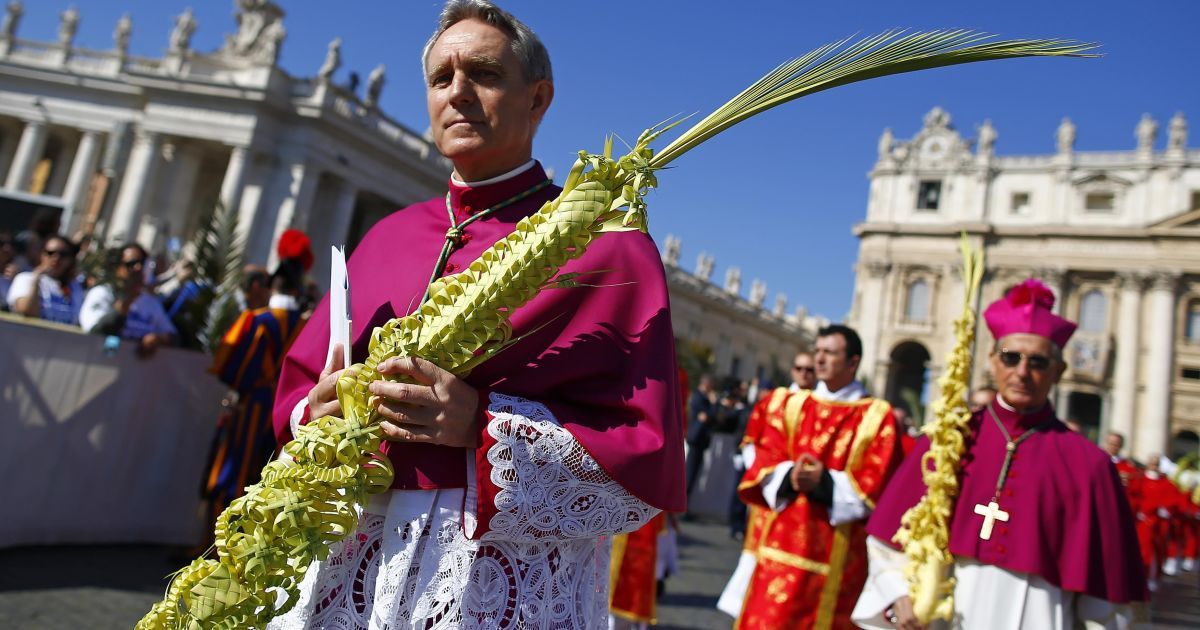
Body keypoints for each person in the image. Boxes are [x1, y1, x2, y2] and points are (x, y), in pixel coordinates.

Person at [267, 2, 683, 627]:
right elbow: (300, 381)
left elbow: (642, 452)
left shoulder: (606, 246)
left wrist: (481, 425)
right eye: (441, 79)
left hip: (488, 568)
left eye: (484, 74)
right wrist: (316, 409)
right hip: (350, 546)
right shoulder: (389, 235)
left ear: (538, 98)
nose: (458, 93)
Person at [853, 279, 1146, 629]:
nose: (1022, 372)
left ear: (1059, 371)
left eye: (1037, 361)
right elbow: (889, 543)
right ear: (992, 361)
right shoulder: (948, 438)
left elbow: (1107, 598)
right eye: (1011, 357)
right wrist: (899, 595)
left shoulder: (1089, 464)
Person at [731, 324, 902, 628]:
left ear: (853, 362)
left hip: (837, 554)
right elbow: (765, 457)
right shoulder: (790, 404)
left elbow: (877, 483)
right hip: (778, 545)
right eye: (818, 351)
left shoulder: (877, 415)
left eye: (830, 353)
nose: (820, 359)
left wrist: (823, 481)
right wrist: (788, 476)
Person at [200, 239, 310, 532]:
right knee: (266, 474)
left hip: (251, 405)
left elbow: (230, 367)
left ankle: (214, 543)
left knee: (232, 469)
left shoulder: (255, 320)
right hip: (285, 411)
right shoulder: (305, 325)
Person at [80, 243, 177, 355]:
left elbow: (174, 336)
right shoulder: (102, 293)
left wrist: (159, 339)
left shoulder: (150, 301)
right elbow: (95, 333)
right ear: (118, 268)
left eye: (142, 263)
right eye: (131, 264)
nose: (138, 268)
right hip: (102, 364)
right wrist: (124, 305)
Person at [6, 234, 83, 325]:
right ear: (42, 255)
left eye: (63, 255)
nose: (56, 258)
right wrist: (36, 279)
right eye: (50, 253)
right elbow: (26, 310)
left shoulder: (75, 287)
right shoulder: (25, 278)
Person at [685, 374, 718, 498]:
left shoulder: (704, 398)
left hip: (701, 440)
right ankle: (682, 506)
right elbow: (706, 417)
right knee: (690, 473)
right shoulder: (699, 397)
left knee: (694, 474)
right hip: (696, 439)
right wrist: (714, 404)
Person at [0, 229, 17, 309]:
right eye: (1, 243)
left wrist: (17, 281)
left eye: (11, 244)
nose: (7, 248)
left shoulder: (16, 277)